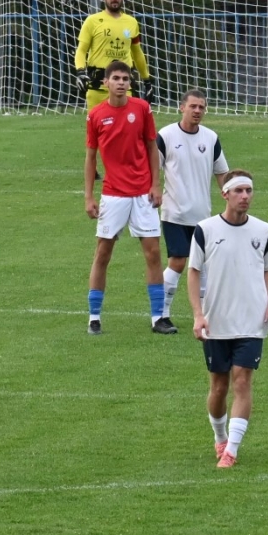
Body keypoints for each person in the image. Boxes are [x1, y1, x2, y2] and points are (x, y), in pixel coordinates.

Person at [186, 171, 268, 468]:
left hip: (252, 319)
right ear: (225, 194)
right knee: (219, 387)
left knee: (242, 381)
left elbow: (267, 269)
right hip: (217, 320)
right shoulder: (205, 230)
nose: (245, 196)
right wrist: (198, 315)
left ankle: (232, 451)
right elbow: (193, 272)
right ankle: (220, 438)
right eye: (239, 191)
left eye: (249, 191)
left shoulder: (263, 230)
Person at [84, 62, 167, 335]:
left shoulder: (142, 109)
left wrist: (156, 184)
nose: (121, 82)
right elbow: (90, 157)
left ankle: (158, 317)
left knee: (153, 253)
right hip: (113, 195)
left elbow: (152, 147)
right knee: (103, 253)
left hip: (143, 194)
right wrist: (89, 196)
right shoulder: (96, 115)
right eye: (116, 78)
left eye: (125, 79)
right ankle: (94, 317)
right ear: (106, 83)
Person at [157, 88, 231, 333]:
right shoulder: (166, 135)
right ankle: (161, 315)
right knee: (178, 262)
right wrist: (152, 192)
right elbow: (153, 168)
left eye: (201, 107)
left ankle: (206, 317)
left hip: (202, 216)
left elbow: (222, 172)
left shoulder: (210, 138)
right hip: (174, 213)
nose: (197, 111)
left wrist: (230, 195)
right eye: (193, 106)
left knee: (204, 265)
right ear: (182, 107)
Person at [76, 0, 151, 112]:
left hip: (124, 86)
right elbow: (81, 50)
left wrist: (147, 80)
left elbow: (137, 53)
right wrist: (80, 72)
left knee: (126, 123)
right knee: (97, 123)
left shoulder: (131, 22)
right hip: (98, 86)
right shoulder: (92, 21)